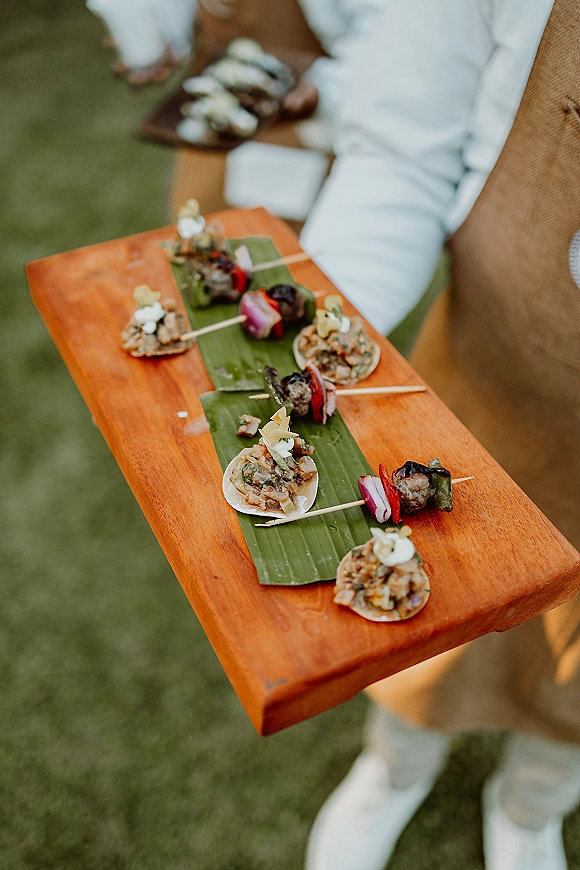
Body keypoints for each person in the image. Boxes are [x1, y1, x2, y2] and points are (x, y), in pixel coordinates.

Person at [300, 0, 580, 868]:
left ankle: (532, 811)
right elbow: (399, 153)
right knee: (422, 614)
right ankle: (393, 770)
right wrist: (326, 342)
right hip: (487, 376)